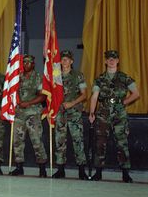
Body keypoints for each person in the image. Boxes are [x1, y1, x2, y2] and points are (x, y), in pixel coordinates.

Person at [88, 50, 139, 183]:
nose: (111, 61)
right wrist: (92, 113)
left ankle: (125, 173)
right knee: (100, 143)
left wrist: (124, 102)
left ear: (117, 61)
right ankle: (98, 172)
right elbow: (94, 97)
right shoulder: (100, 79)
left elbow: (136, 93)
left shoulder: (124, 77)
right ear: (105, 61)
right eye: (109, 59)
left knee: (122, 143)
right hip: (103, 113)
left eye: (114, 59)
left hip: (119, 113)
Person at [52, 50, 89, 180]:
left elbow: (84, 94)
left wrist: (72, 103)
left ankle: (81, 170)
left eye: (67, 59)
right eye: (62, 59)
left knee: (78, 140)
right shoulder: (56, 76)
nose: (64, 61)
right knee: (59, 141)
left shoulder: (78, 75)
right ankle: (60, 169)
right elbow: (50, 93)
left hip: (74, 112)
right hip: (60, 112)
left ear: (71, 61)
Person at [9, 54, 48, 177]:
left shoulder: (38, 77)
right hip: (20, 113)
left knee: (36, 139)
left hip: (33, 112)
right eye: (24, 62)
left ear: (33, 64)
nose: (26, 65)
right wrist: (19, 102)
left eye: (28, 63)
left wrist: (28, 103)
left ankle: (42, 168)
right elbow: (13, 91)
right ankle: (19, 167)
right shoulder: (18, 77)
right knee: (17, 140)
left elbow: (43, 95)